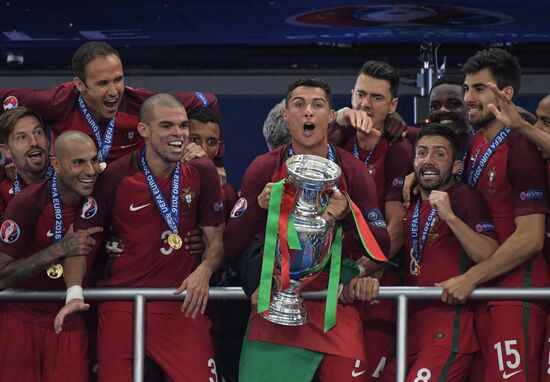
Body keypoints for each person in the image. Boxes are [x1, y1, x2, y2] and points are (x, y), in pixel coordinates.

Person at [224, 78, 390, 382]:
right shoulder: (264, 168)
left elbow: (382, 244)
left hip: (333, 306)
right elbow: (232, 242)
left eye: (318, 105)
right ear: (287, 115)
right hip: (275, 304)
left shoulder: (352, 171)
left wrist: (349, 215)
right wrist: (258, 209)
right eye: (299, 105)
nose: (308, 113)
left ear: (330, 115)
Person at [56, 93, 225, 381]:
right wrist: (73, 292)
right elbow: (82, 242)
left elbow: (217, 241)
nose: (178, 134)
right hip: (121, 305)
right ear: (143, 130)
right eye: (167, 126)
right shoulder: (114, 177)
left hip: (181, 302)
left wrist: (204, 270)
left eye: (183, 126)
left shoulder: (202, 171)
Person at [437, 48, 550, 382]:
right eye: (467, 88)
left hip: (516, 294)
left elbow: (530, 239)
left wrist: (471, 278)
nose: (468, 97)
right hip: (481, 293)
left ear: (506, 94)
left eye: (479, 89)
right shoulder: (474, 146)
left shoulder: (522, 147)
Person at [380, 123, 498, 381]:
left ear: (456, 166)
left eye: (439, 154)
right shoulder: (410, 201)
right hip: (409, 332)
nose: (428, 161)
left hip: (448, 333)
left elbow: (490, 253)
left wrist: (450, 217)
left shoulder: (463, 197)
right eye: (422, 153)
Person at [0, 41, 221, 164]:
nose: (114, 91)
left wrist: (214, 161)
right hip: (70, 198)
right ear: (80, 84)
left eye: (118, 79)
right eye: (103, 83)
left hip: (128, 195)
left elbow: (207, 100)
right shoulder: (55, 102)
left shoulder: (142, 103)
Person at [333, 60, 414, 380]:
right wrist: (336, 117)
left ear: (393, 105)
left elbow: (397, 225)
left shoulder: (399, 151)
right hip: (334, 280)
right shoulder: (336, 142)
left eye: (377, 98)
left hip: (376, 280)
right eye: (360, 95)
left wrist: (363, 270)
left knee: (366, 373)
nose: (365, 104)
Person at [0, 131, 102, 381]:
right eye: (78, 162)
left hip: (71, 319)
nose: (90, 170)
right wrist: (59, 249)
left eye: (94, 160)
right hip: (20, 321)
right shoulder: (27, 203)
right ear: (56, 164)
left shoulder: (102, 193)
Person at [188, 105, 238, 221]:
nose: (203, 149)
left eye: (211, 142)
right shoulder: (162, 180)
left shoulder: (227, 194)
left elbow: (233, 236)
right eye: (195, 139)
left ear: (217, 148)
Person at [0, 107, 53, 215]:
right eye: (22, 137)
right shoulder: (3, 190)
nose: (34, 142)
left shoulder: (70, 178)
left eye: (38, 132)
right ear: (6, 150)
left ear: (48, 141)